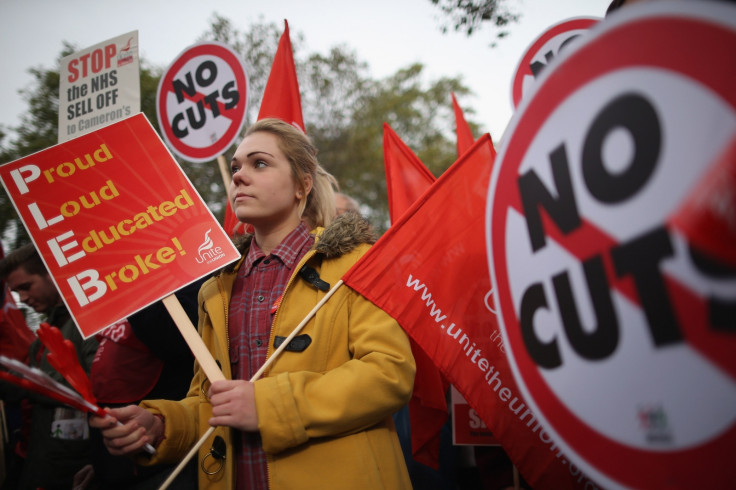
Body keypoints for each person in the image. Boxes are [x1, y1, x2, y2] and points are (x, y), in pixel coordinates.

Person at [91, 118, 416, 490]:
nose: (239, 176)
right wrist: (162, 424)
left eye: (259, 163)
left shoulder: (356, 264)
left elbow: (389, 373)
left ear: (302, 185)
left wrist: (268, 406)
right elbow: (210, 403)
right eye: (235, 167)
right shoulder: (215, 288)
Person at [76, 278, 206, 490]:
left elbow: (180, 345)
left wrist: (136, 288)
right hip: (120, 464)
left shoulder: (186, 283)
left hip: (165, 461)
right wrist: (101, 463)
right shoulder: (110, 306)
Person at [0, 243, 99, 490]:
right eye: (15, 292)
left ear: (52, 274)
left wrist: (22, 383)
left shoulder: (90, 324)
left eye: (26, 287)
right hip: (43, 465)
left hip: (78, 468)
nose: (22, 299)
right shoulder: (41, 341)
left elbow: (99, 389)